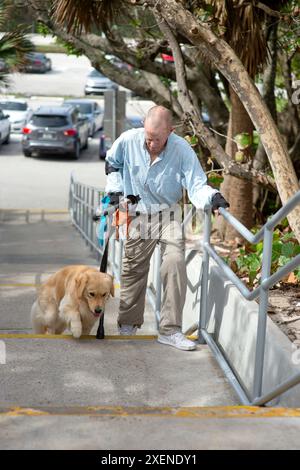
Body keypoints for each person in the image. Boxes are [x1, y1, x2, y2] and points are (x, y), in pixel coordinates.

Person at [105, 105, 229, 351]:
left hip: (168, 214)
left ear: (170, 132)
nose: (151, 144)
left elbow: (196, 184)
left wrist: (213, 197)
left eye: (157, 140)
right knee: (133, 270)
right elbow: (112, 164)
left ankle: (170, 330)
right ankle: (128, 323)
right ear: (143, 126)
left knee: (174, 263)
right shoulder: (128, 140)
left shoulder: (182, 149)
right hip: (137, 213)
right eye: (148, 138)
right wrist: (115, 190)